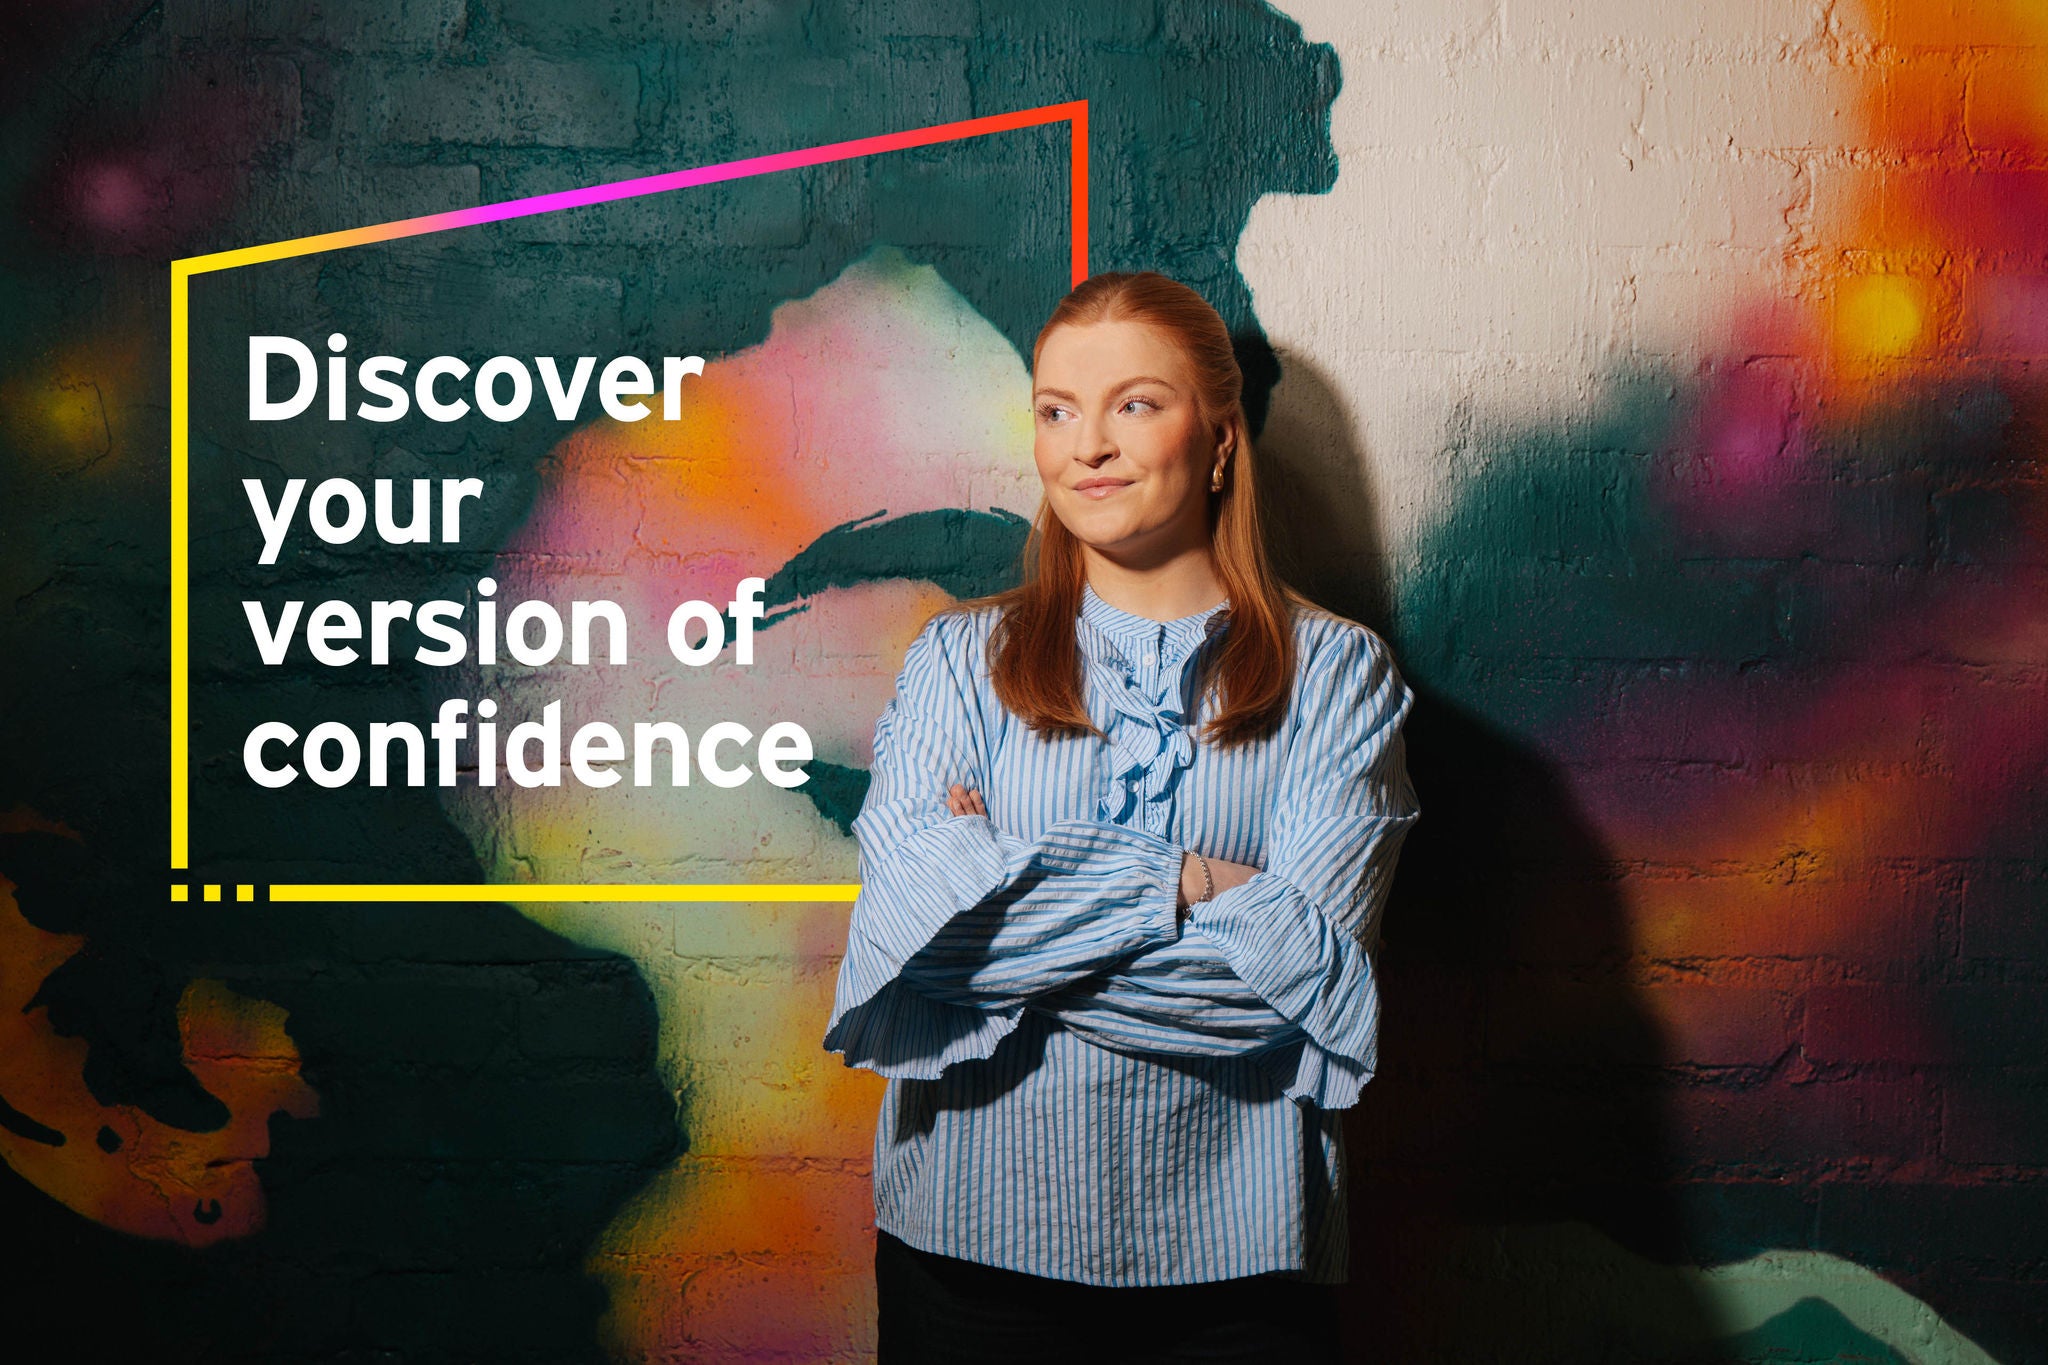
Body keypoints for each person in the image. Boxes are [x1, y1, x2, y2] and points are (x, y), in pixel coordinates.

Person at [821, 270, 1422, 1364]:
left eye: (1133, 404)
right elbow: (914, 945)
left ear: (1222, 439)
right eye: (1056, 411)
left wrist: (1013, 884)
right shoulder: (961, 661)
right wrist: (1196, 884)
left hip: (1236, 1272)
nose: (1085, 446)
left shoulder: (1338, 675)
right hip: (965, 1255)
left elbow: (1292, 1005)